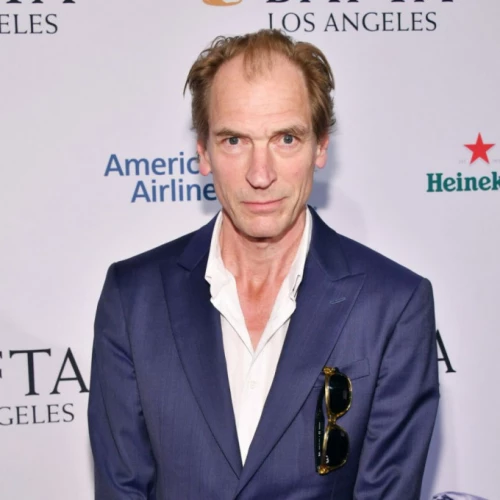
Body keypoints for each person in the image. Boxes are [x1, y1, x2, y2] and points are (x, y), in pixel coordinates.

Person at [88, 29, 439, 499]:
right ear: (203, 153)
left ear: (320, 147)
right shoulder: (134, 299)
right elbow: (122, 487)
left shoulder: (393, 304)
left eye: (286, 138)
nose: (260, 174)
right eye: (235, 140)